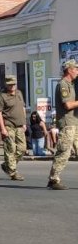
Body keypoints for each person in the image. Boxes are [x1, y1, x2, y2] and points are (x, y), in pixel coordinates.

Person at [47, 59, 78, 189]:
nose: (77, 71)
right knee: (64, 152)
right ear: (69, 70)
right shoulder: (63, 84)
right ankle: (53, 179)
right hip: (67, 123)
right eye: (76, 69)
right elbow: (68, 105)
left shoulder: (72, 84)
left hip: (75, 122)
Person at [0, 75, 27, 181]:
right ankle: (13, 172)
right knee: (11, 149)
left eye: (14, 84)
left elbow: (22, 107)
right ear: (6, 84)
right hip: (8, 125)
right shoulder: (2, 96)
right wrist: (2, 128)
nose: (12, 86)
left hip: (19, 125)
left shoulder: (19, 93)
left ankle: (7, 165)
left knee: (22, 149)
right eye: (10, 84)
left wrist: (24, 122)